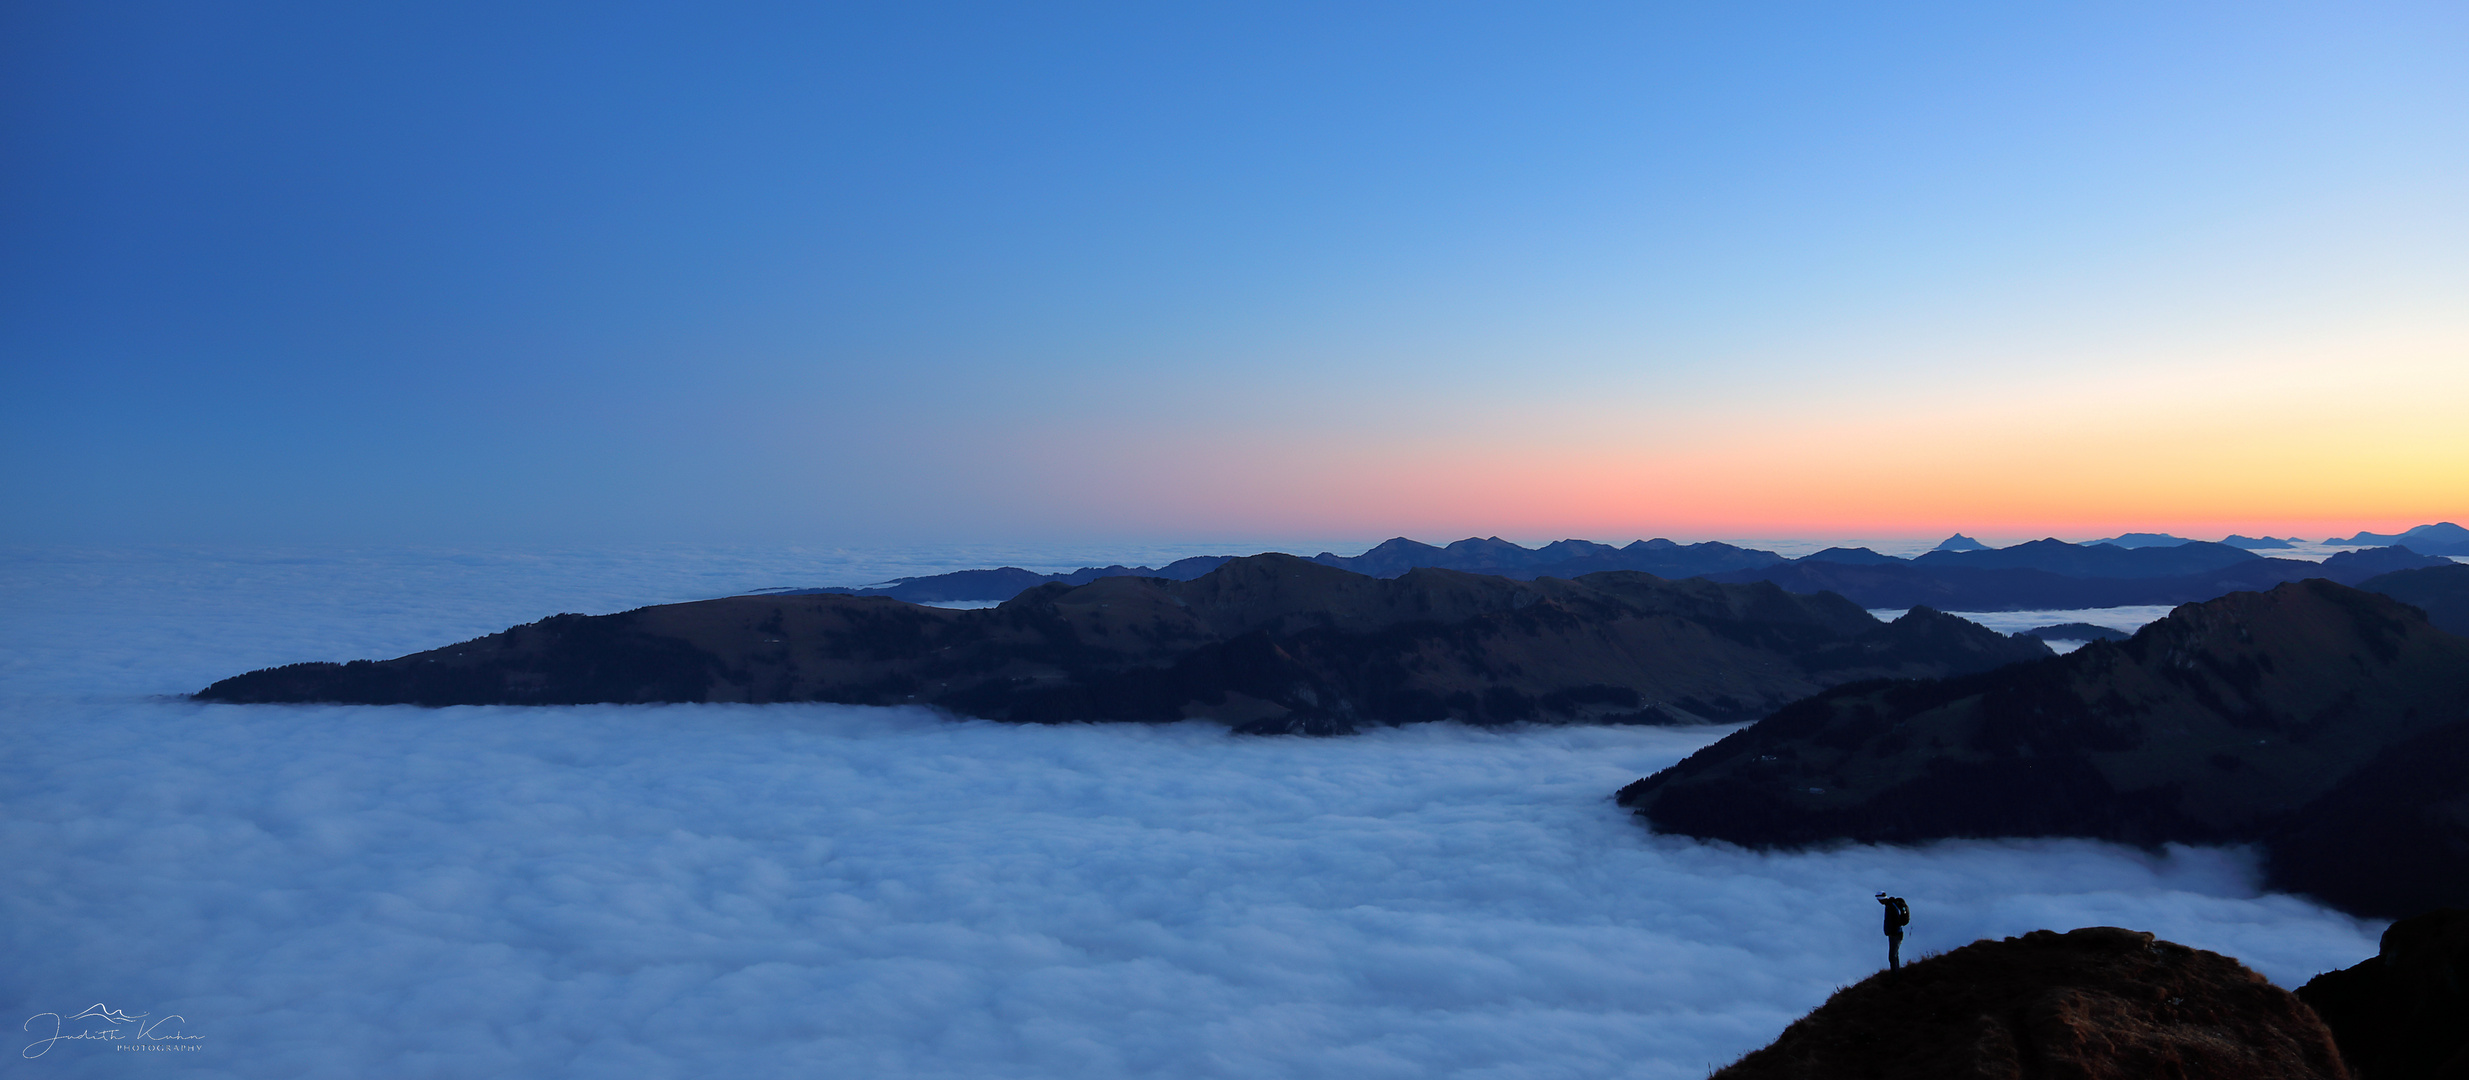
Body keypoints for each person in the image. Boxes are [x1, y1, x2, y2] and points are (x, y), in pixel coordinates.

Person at [1876, 892, 1910, 969]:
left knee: (1892, 956)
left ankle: (1895, 976)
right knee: (1894, 955)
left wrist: (1892, 931)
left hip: (1895, 934)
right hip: (1895, 933)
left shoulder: (1891, 906)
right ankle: (1896, 973)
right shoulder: (1891, 905)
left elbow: (1895, 920)